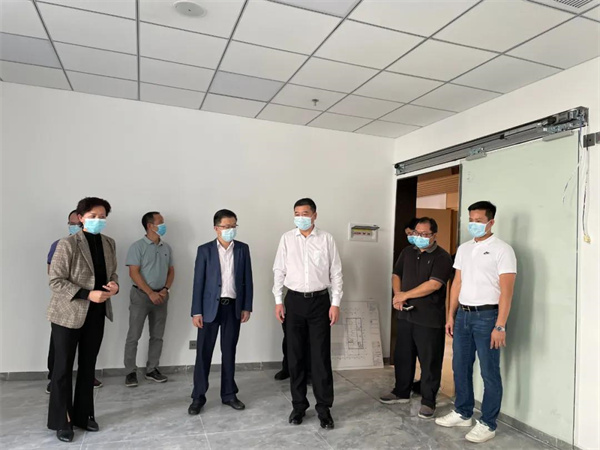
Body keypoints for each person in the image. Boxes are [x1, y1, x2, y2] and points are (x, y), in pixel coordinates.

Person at [435, 201, 517, 444]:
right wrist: (451, 315)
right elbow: (457, 283)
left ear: (491, 222)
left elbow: (507, 292)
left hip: (487, 317)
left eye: (479, 221)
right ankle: (463, 412)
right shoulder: (464, 248)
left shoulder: (503, 250)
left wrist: (500, 325)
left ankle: (488, 423)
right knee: (459, 366)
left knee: (489, 372)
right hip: (463, 315)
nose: (474, 224)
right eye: (471, 220)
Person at [47, 197, 119, 442]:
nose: (98, 220)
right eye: (92, 216)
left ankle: (83, 414)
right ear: (80, 218)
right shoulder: (67, 244)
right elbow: (55, 281)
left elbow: (112, 273)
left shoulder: (109, 243)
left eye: (102, 216)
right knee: (63, 368)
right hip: (67, 314)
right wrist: (88, 294)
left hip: (97, 313)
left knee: (88, 366)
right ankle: (62, 421)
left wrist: (115, 285)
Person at [273, 198, 343, 430]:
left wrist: (335, 303)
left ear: (314, 215)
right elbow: (279, 270)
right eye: (297, 213)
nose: (300, 217)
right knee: (295, 357)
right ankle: (299, 406)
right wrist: (278, 301)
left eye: (305, 213)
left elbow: (336, 272)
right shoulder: (286, 238)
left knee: (320, 357)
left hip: (320, 302)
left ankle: (324, 409)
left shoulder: (326, 239)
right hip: (293, 301)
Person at [379, 217, 453, 420]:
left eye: (424, 234)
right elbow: (396, 274)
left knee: (429, 361)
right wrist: (398, 294)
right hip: (406, 314)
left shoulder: (442, 257)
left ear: (434, 235)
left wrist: (405, 295)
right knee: (403, 355)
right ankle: (401, 392)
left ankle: (428, 401)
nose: (419, 237)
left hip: (429, 318)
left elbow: (434, 284)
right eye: (416, 233)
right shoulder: (407, 252)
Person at [188, 209, 253, 415]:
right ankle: (198, 397)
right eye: (226, 226)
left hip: (233, 308)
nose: (230, 230)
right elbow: (198, 282)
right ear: (216, 228)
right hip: (209, 309)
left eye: (233, 226)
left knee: (229, 352)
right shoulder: (205, 250)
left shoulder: (242, 249)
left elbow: (248, 279)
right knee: (203, 354)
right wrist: (196, 311)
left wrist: (247, 306)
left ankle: (229, 394)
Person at [46, 211, 103, 394]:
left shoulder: (100, 245)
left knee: (88, 351)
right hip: (66, 306)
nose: (76, 227)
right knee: (60, 351)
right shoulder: (61, 244)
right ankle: (54, 378)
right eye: (73, 224)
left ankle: (87, 377)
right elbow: (54, 276)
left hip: (92, 308)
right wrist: (83, 292)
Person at [123, 212, 174, 387]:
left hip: (162, 296)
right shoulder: (137, 247)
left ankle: (152, 369)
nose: (163, 225)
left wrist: (165, 289)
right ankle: (130, 372)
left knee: (157, 336)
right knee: (134, 335)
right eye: (161, 222)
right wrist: (150, 292)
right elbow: (133, 272)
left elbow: (171, 271)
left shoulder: (166, 248)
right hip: (141, 296)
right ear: (150, 226)